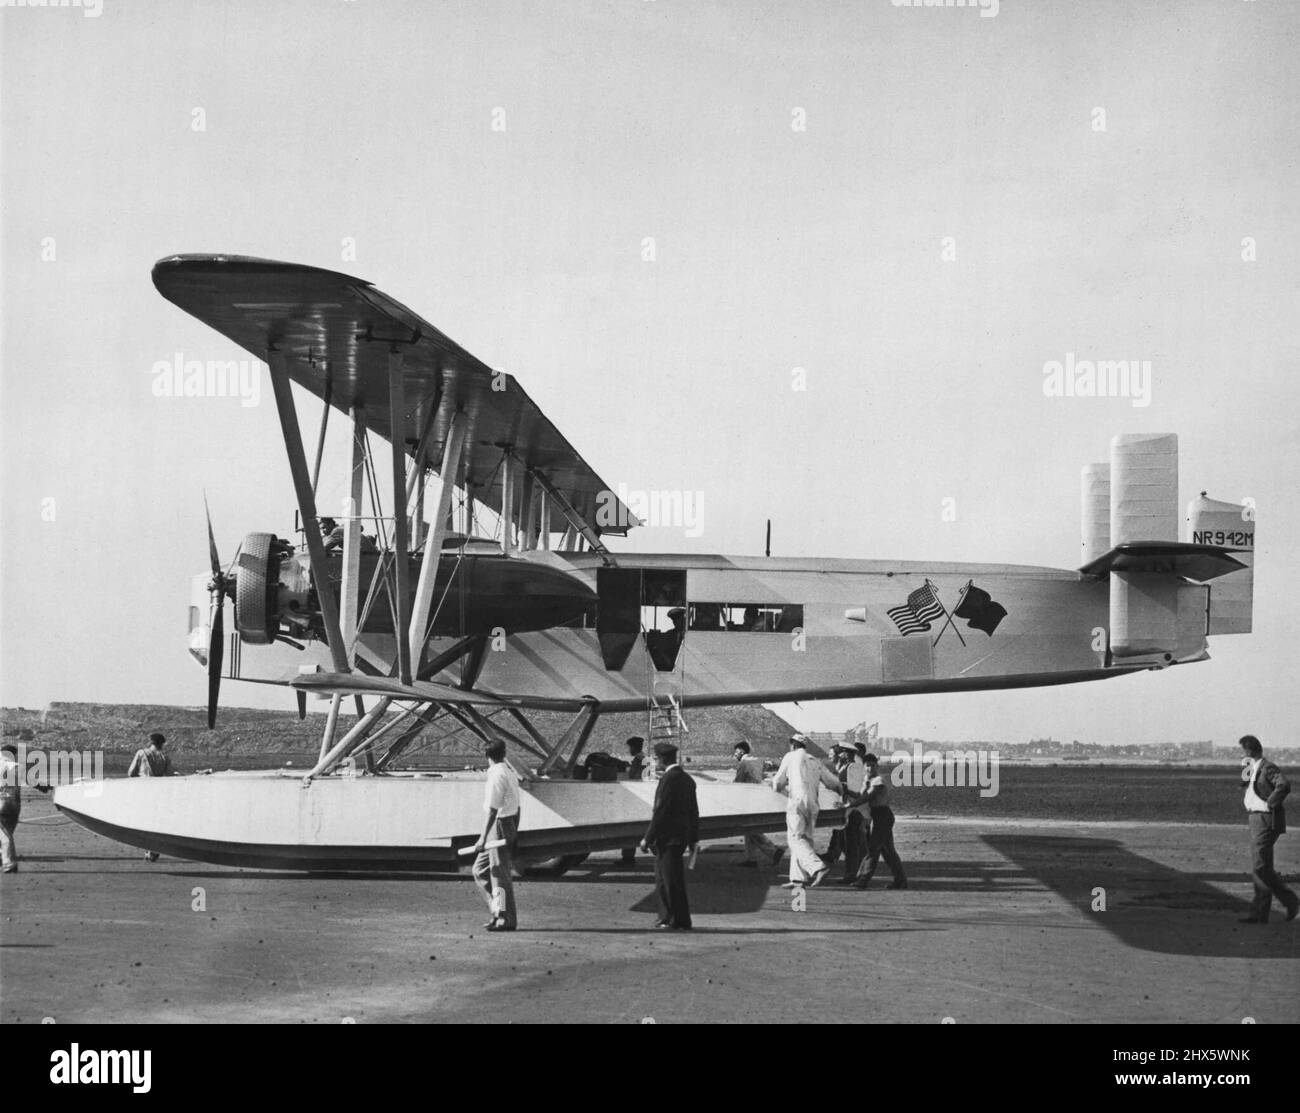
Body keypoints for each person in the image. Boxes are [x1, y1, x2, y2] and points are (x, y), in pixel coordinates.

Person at [1237, 734, 1297, 924]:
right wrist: (1246, 773)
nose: (1242, 754)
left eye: (1244, 751)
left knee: (1261, 867)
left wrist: (1271, 802)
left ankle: (1290, 901)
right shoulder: (1251, 767)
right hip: (1255, 818)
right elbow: (1247, 786)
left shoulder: (1267, 766)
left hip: (1266, 819)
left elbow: (1284, 785)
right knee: (1260, 867)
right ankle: (1260, 914)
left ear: (1249, 750)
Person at [639, 742, 699, 930]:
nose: (655, 762)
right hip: (680, 837)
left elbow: (660, 811)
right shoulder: (687, 779)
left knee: (667, 880)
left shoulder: (668, 780)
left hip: (667, 838)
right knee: (669, 879)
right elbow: (693, 812)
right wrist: (694, 839)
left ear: (663, 759)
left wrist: (647, 838)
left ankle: (674, 920)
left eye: (656, 759)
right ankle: (670, 918)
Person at [773, 735, 841, 889]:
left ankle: (818, 867)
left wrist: (783, 791)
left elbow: (777, 783)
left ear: (792, 745)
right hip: (813, 804)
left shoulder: (790, 757)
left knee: (795, 839)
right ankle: (798, 879)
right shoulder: (815, 760)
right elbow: (833, 783)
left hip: (797, 803)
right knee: (805, 839)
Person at [471, 739, 521, 932]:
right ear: (503, 753)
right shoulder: (509, 772)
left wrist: (482, 839)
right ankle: (497, 910)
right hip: (508, 823)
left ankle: (505, 919)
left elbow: (493, 810)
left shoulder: (497, 775)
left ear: (486, 756)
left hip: (500, 825)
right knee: (480, 870)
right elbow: (517, 804)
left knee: (499, 876)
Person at [853, 753, 907, 890]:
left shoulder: (878, 781)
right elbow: (862, 795)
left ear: (877, 766)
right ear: (864, 767)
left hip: (883, 815)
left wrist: (849, 805)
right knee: (888, 851)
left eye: (872, 765)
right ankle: (900, 881)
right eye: (867, 766)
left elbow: (867, 797)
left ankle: (863, 880)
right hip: (878, 816)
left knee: (873, 849)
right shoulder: (868, 779)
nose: (870, 768)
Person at [732, 741, 783, 869]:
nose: (734, 754)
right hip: (757, 796)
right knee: (749, 830)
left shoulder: (744, 763)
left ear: (742, 751)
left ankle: (774, 851)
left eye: (736, 751)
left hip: (747, 798)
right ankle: (752, 858)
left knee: (751, 829)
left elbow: (738, 781)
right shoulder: (758, 760)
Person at [128, 733, 173, 862]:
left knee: (143, 822)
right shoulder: (165, 757)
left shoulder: (141, 753)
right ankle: (153, 851)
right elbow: (170, 775)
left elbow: (131, 773)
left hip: (143, 792)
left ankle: (148, 849)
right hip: (158, 793)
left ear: (151, 742)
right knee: (155, 822)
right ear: (162, 743)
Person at [620, 736, 648, 865]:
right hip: (643, 796)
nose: (629, 749)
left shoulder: (639, 760)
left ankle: (628, 858)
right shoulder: (644, 758)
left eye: (630, 747)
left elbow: (636, 777)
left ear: (634, 747)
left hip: (637, 796)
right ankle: (627, 857)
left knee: (629, 828)